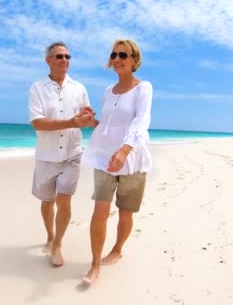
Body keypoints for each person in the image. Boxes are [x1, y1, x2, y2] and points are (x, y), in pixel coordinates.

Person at [81, 39, 153, 284]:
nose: (118, 58)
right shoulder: (107, 91)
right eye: (114, 54)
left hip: (132, 158)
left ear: (135, 60)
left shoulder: (144, 88)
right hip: (105, 158)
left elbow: (140, 123)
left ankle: (117, 249)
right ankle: (94, 264)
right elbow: (109, 128)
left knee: (125, 212)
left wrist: (123, 152)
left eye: (124, 54)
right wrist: (93, 123)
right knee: (100, 210)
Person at [28, 41, 97, 267]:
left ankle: (58, 243)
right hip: (46, 156)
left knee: (64, 200)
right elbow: (37, 123)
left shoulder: (79, 88)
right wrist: (71, 121)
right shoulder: (37, 88)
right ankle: (49, 236)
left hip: (72, 153)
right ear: (48, 61)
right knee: (47, 201)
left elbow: (85, 120)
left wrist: (89, 119)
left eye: (68, 56)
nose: (65, 60)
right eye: (59, 57)